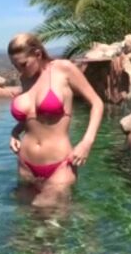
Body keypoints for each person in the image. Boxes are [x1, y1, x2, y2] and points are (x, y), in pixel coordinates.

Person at [8, 33, 103, 207]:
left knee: (51, 227)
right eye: (15, 66)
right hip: (25, 165)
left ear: (37, 54)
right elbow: (33, 117)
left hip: (59, 165)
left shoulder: (63, 69)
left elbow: (97, 103)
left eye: (23, 64)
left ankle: (87, 224)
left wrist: (87, 142)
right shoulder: (25, 78)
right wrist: (15, 132)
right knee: (24, 226)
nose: (20, 70)